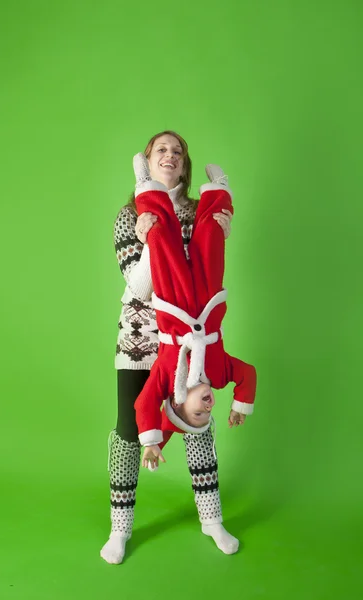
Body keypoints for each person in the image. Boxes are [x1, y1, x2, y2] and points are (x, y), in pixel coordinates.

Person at [100, 132, 234, 565]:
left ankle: (211, 519)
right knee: (128, 428)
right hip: (140, 337)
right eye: (162, 149)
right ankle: (120, 529)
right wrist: (149, 237)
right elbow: (139, 285)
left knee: (198, 422)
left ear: (185, 165)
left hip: (186, 341)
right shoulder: (126, 216)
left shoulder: (198, 212)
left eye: (178, 151)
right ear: (148, 160)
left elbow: (204, 275)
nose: (171, 155)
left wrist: (219, 232)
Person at [131, 154, 257, 468]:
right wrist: (241, 405)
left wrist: (152, 441)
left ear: (178, 404)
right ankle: (219, 189)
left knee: (158, 236)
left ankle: (145, 184)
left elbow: (144, 403)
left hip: (173, 301)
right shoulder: (218, 373)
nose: (210, 405)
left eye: (198, 412)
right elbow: (248, 375)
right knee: (213, 233)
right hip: (208, 297)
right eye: (210, 412)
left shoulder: (166, 376)